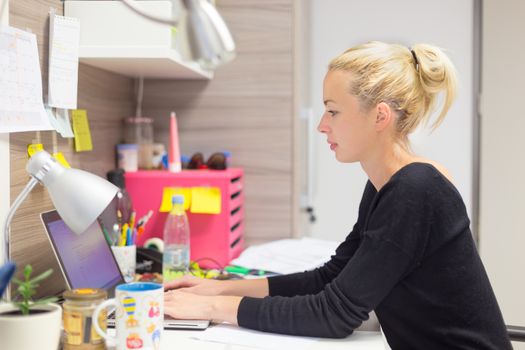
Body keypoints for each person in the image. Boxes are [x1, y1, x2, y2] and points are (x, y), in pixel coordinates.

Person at [164, 41, 512, 349]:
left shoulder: (415, 190)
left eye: (333, 110)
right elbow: (330, 278)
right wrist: (218, 288)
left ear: (380, 116)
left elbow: (335, 314)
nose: (321, 125)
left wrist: (210, 309)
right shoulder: (389, 183)